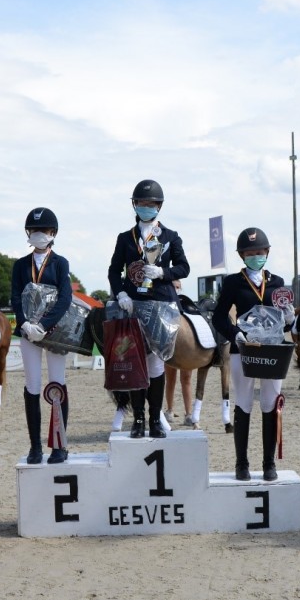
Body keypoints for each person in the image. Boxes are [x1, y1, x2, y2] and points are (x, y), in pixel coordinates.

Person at [107, 179, 190, 439]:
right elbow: (113, 270)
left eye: (151, 204)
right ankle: (138, 419)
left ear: (159, 207)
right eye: (142, 203)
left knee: (155, 365)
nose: (146, 207)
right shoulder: (125, 238)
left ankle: (155, 419)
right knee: (134, 363)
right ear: (135, 205)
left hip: (160, 306)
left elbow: (184, 268)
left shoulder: (170, 237)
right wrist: (120, 292)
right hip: (133, 305)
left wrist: (163, 272)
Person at [212, 227, 295, 481]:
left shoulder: (278, 284)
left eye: (259, 252)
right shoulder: (233, 283)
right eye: (249, 253)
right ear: (242, 256)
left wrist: (290, 319)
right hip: (243, 349)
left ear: (267, 253)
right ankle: (241, 464)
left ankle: (269, 464)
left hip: (273, 351)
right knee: (244, 403)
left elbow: (284, 323)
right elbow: (218, 316)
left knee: (270, 404)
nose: (254, 256)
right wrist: (234, 332)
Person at [11, 207, 73, 465]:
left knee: (57, 383)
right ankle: (35, 446)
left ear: (52, 233)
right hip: (28, 333)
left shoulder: (60, 263)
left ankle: (59, 446)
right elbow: (15, 296)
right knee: (32, 386)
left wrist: (44, 325)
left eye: (43, 231)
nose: (38, 235)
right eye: (34, 231)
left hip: (54, 331)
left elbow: (65, 298)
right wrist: (25, 324)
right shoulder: (20, 265)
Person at [164, 280, 195, 426]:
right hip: (171, 346)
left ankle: (189, 413)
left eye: (177, 287)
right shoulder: (165, 306)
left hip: (186, 347)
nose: (175, 290)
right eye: (173, 287)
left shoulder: (186, 305)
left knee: (186, 379)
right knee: (170, 380)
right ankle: (169, 410)